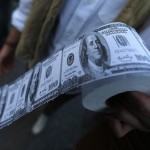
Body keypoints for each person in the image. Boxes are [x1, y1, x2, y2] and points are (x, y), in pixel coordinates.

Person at [0, 0, 150, 140]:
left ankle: (47, 113)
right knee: (29, 86)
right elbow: (31, 3)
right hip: (41, 51)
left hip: (81, 79)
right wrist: (11, 43)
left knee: (58, 100)